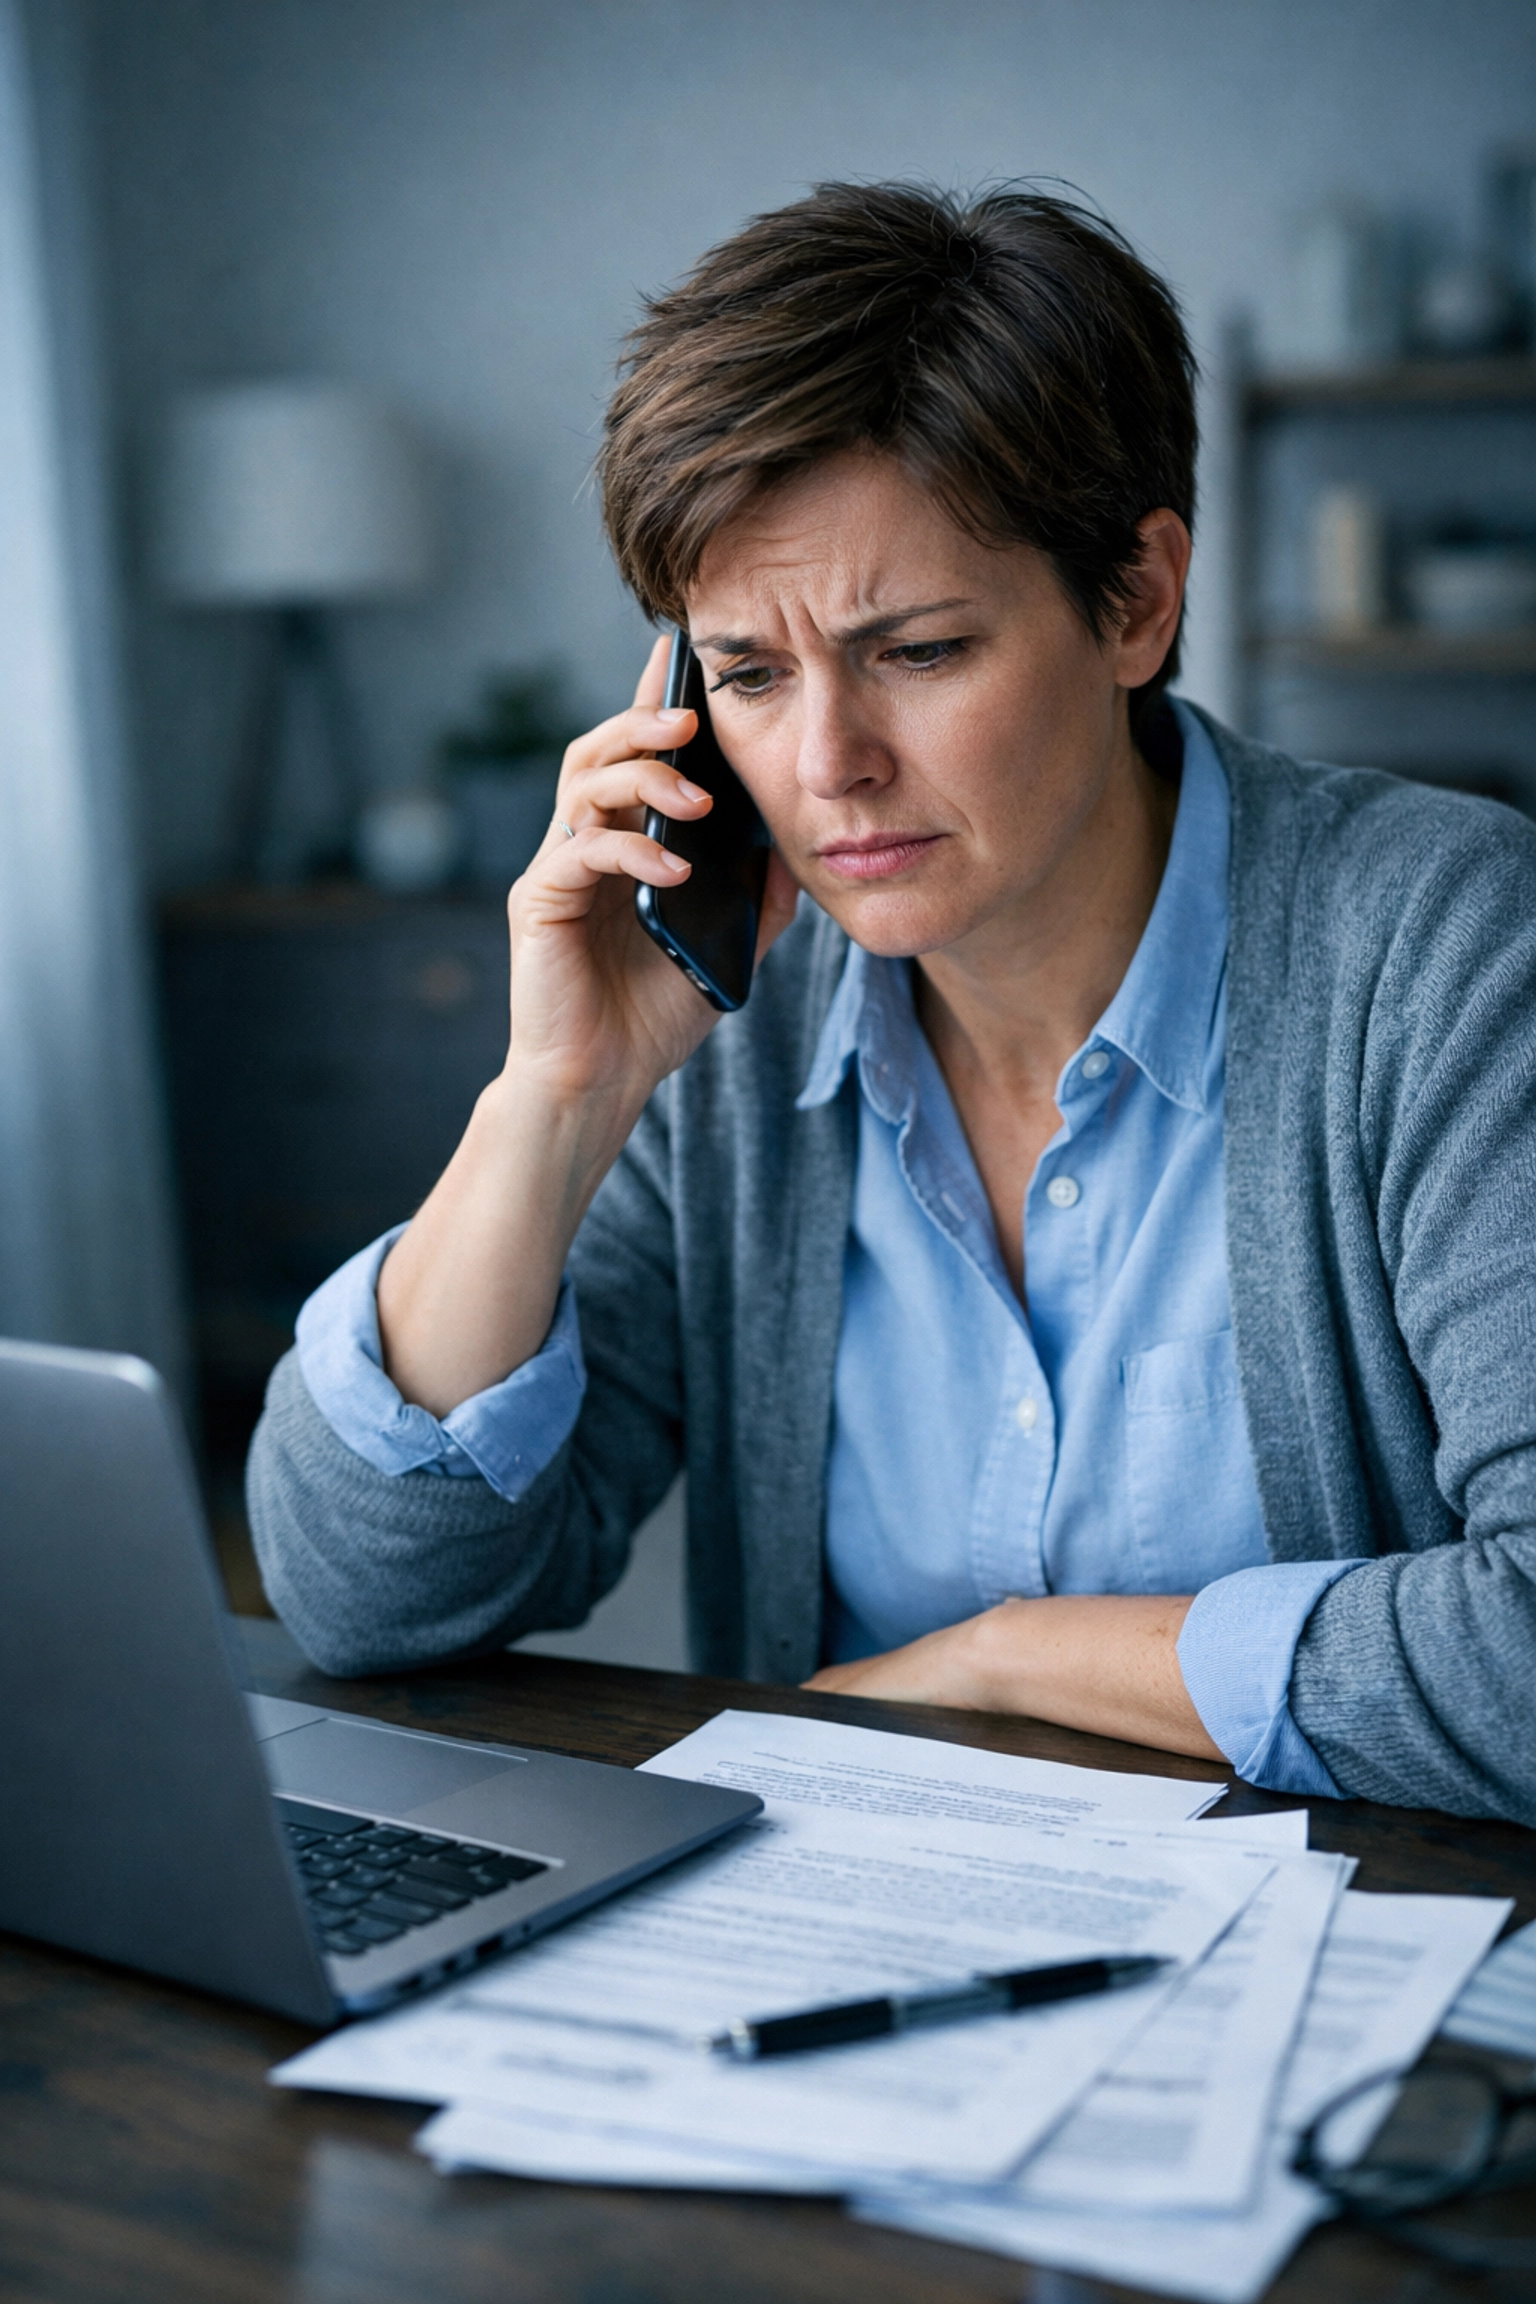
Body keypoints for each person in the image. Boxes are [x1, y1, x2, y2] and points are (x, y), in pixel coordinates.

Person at [248, 183, 1536, 1824]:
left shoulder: (1444, 946)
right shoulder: (735, 1020)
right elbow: (365, 1599)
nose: (826, 766)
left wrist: (1008, 1661)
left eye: (917, 650)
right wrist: (557, 1097)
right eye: (750, 674)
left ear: (1138, 601)